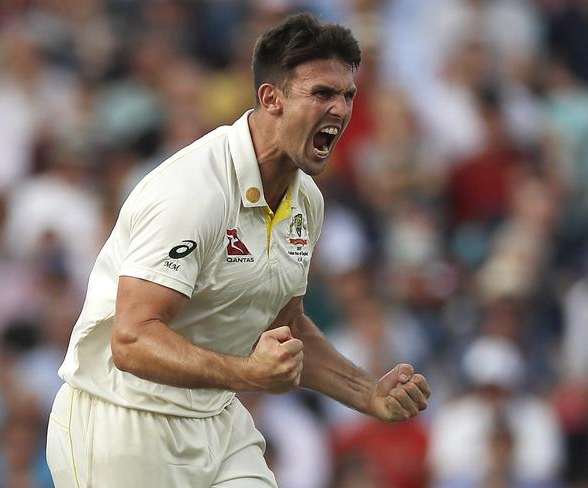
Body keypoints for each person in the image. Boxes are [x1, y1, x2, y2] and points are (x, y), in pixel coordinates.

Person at [46, 12, 431, 487]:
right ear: (271, 98)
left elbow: (284, 326)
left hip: (216, 419)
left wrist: (367, 392)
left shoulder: (305, 200)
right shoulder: (192, 191)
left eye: (347, 95)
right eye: (322, 94)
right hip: (122, 420)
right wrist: (248, 373)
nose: (341, 110)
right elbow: (131, 339)